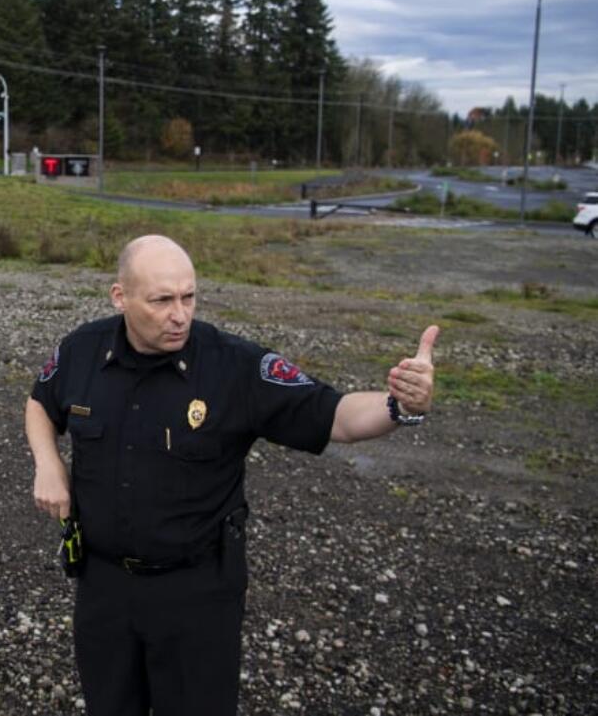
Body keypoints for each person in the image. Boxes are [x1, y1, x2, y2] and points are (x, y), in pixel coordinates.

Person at [25, 234, 438, 715]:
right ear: (121, 297)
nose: (179, 314)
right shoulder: (82, 350)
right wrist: (48, 463)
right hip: (103, 586)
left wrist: (400, 406)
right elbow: (40, 401)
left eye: (189, 296)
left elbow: (338, 417)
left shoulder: (236, 367)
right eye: (162, 300)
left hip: (196, 594)